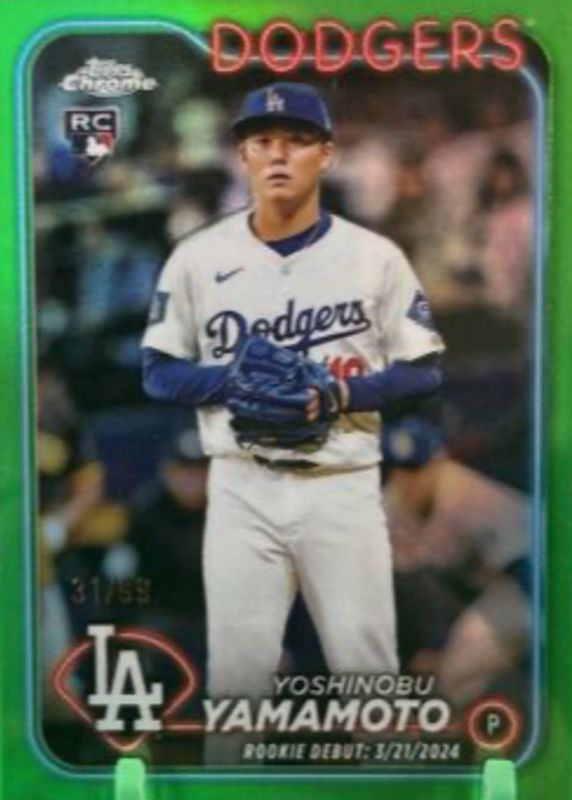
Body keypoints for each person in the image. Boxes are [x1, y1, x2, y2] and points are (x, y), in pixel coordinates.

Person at [141, 82, 444, 746]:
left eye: (298, 141)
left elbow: (424, 369)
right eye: (263, 141)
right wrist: (233, 381)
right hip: (241, 483)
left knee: (370, 677)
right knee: (238, 681)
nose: (278, 155)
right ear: (243, 156)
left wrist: (338, 396)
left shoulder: (375, 256)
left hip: (340, 482)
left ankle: (388, 790)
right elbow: (158, 372)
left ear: (327, 154)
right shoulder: (196, 258)